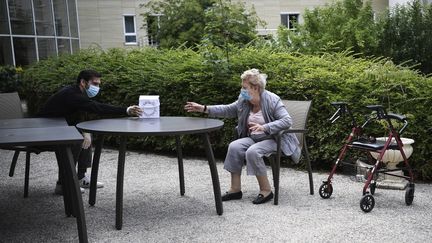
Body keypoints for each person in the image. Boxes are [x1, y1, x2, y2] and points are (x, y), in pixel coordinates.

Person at [184, 68, 300, 204]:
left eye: (244, 87)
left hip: (275, 139)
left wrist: (265, 127)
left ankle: (266, 190)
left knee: (253, 151)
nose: (241, 90)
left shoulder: (272, 100)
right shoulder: (244, 99)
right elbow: (228, 109)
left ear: (255, 87)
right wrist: (204, 108)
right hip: (255, 138)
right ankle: (235, 190)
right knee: (234, 146)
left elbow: (287, 121)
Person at [38, 69, 142, 194]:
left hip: (58, 127)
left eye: (98, 84)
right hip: (42, 132)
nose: (97, 87)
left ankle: (80, 177)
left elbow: (79, 114)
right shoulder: (72, 95)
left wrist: (85, 132)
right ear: (83, 82)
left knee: (85, 135)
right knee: (76, 140)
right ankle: (64, 184)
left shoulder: (78, 92)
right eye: (95, 84)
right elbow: (97, 108)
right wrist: (126, 110)